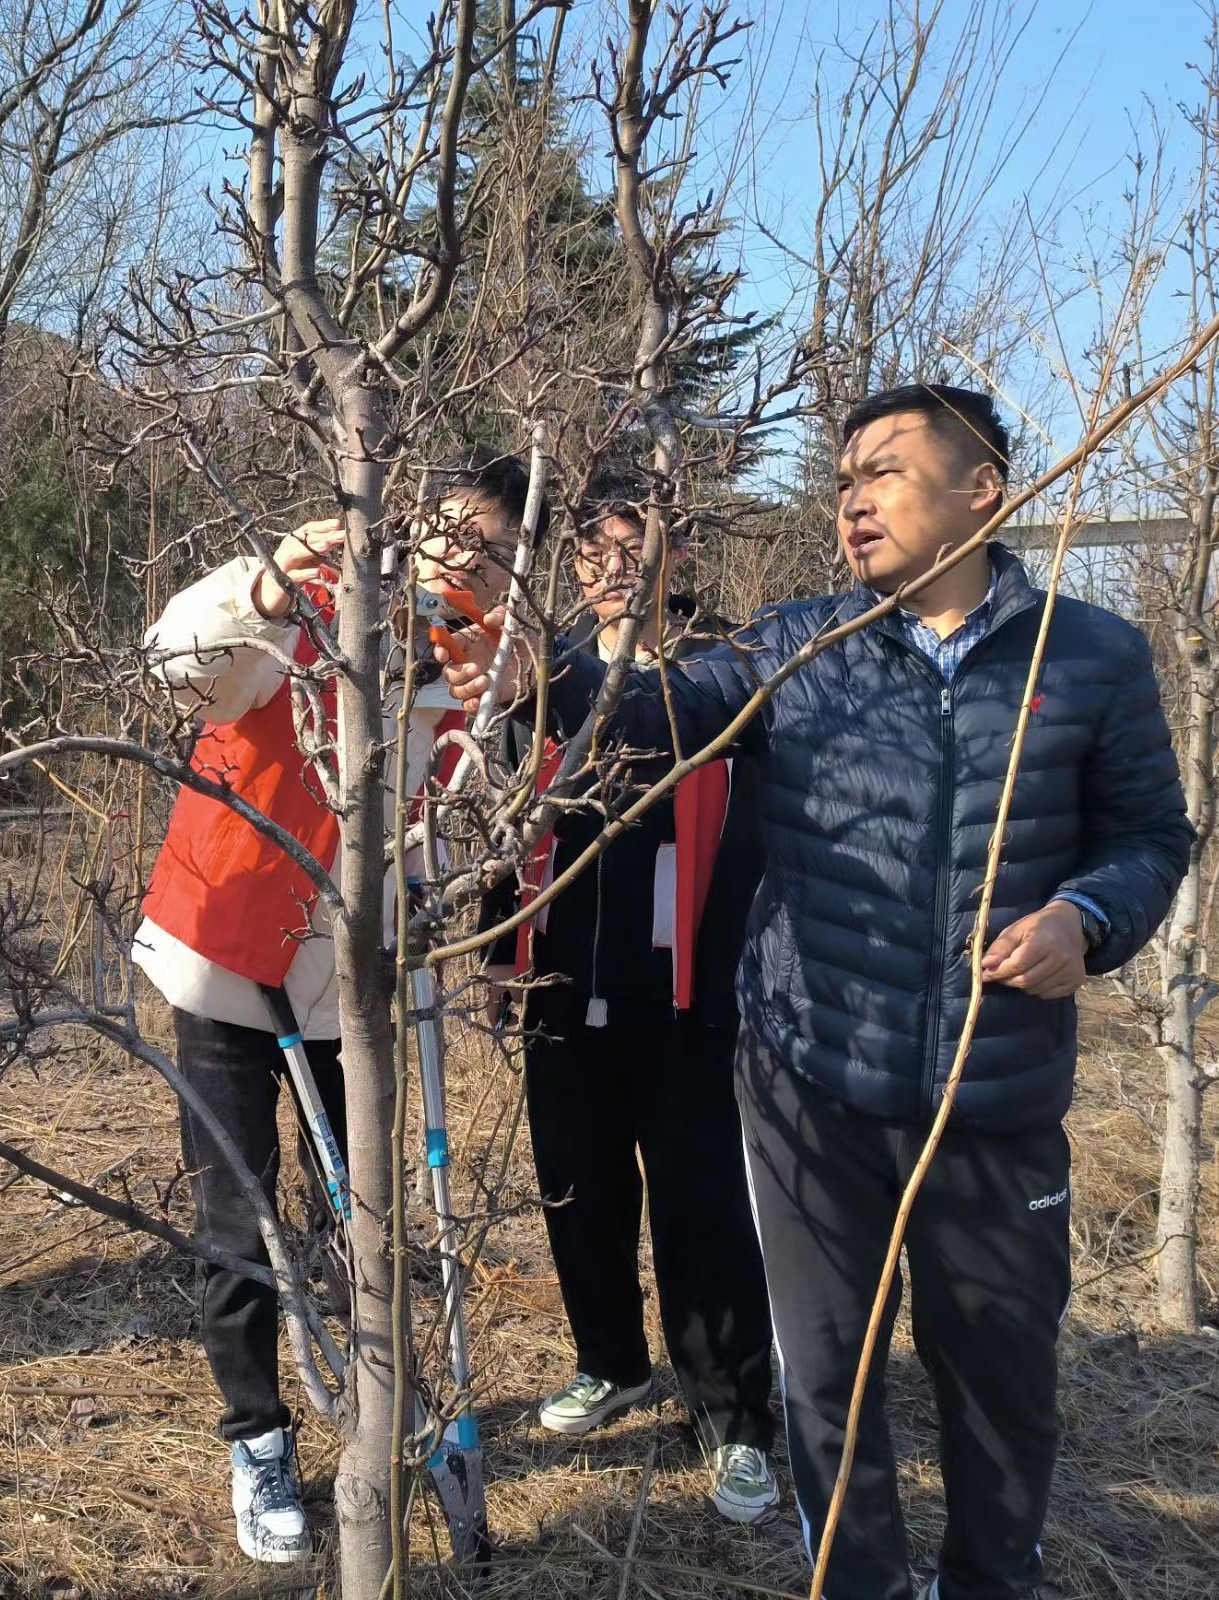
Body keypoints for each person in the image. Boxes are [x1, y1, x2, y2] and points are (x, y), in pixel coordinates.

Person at [440, 385, 1192, 1600]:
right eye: (841, 477)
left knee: (998, 1387)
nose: (851, 499)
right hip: (810, 1090)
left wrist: (1085, 917)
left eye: (884, 472)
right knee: (825, 1387)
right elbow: (657, 707)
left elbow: (1151, 835)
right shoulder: (803, 645)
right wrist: (535, 676)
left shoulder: (1089, 656)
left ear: (979, 492)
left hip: (987, 1097)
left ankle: (990, 1579)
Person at [134, 450, 537, 1563]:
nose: (463, 562)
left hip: (349, 987)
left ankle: (368, 1399)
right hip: (222, 951)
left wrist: (508, 716)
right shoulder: (310, 604)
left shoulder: (474, 670)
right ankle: (255, 1438)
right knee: (239, 1213)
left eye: (494, 551)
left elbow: (475, 836)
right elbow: (175, 662)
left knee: (361, 1213)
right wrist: (261, 590)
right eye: (448, 533)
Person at [479, 469, 778, 1524]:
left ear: (675, 555)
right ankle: (608, 1361)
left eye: (628, 546)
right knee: (576, 1189)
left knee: (700, 1204)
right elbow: (501, 815)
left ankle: (734, 1413)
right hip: (564, 983)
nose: (606, 568)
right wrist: (491, 948)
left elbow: (734, 809)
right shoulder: (540, 671)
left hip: (684, 993)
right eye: (588, 551)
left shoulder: (728, 667)